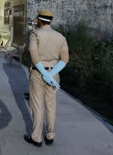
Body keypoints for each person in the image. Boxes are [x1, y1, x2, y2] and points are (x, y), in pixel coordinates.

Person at [24, 9, 69, 147]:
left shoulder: (35, 34)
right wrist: (50, 75)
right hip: (54, 74)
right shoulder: (60, 36)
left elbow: (34, 57)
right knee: (51, 106)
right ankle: (50, 136)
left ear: (39, 20)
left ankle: (36, 138)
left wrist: (44, 74)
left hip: (38, 73)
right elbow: (65, 59)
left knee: (37, 106)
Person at [24, 19, 38, 100]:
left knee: (34, 77)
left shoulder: (36, 34)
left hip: (34, 59)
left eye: (30, 24)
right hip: (31, 58)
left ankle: (32, 94)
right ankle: (30, 92)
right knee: (30, 76)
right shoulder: (32, 33)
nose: (29, 26)